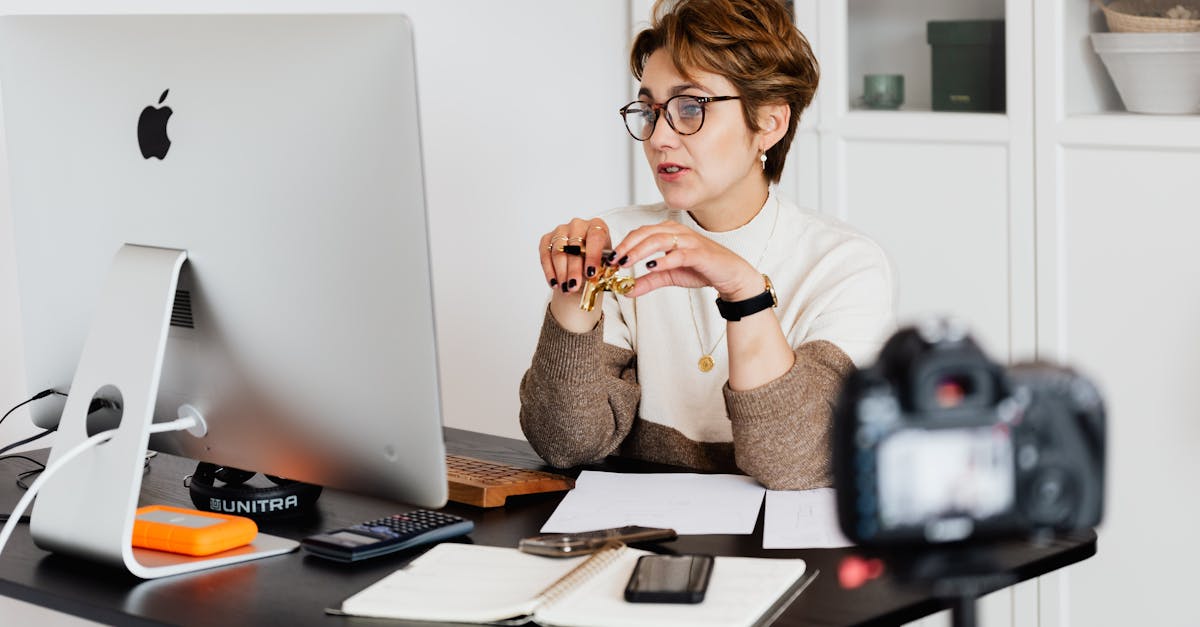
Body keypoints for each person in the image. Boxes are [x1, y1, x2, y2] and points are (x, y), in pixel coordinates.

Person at [519, 0, 895, 490]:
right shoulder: (615, 244)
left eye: (690, 107)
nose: (659, 138)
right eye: (650, 111)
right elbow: (566, 444)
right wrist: (572, 298)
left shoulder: (845, 265)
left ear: (770, 124)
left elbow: (797, 463)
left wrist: (745, 293)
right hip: (643, 541)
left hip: (784, 554)